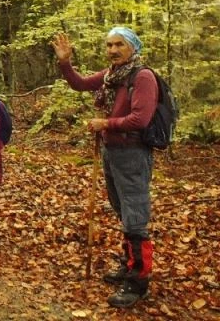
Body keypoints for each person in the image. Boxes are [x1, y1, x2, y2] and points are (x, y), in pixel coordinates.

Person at [52, 28, 157, 308]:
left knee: (134, 214)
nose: (112, 50)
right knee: (122, 209)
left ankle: (138, 281)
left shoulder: (142, 76)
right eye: (109, 45)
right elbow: (81, 83)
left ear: (132, 46)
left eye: (119, 44)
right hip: (112, 152)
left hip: (133, 153)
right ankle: (128, 264)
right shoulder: (112, 74)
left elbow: (140, 119)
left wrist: (105, 124)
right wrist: (65, 62)